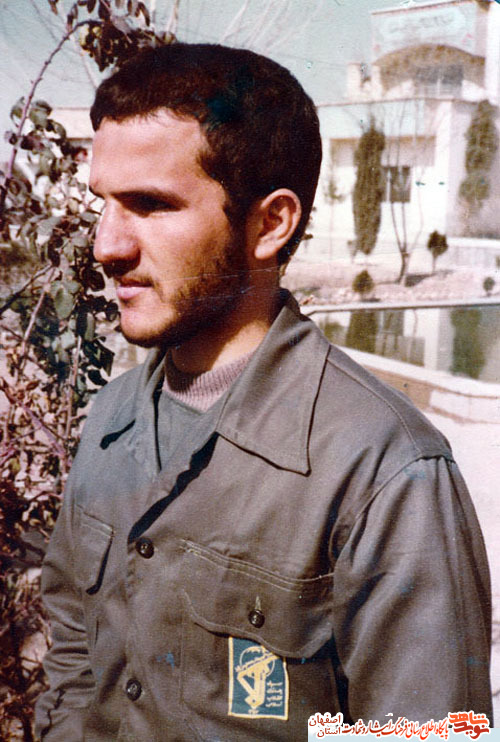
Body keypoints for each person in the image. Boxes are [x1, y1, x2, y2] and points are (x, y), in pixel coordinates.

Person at [35, 43, 492, 741]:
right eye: (105, 203)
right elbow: (72, 644)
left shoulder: (384, 470)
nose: (107, 246)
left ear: (270, 224)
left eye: (150, 205)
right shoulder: (112, 416)